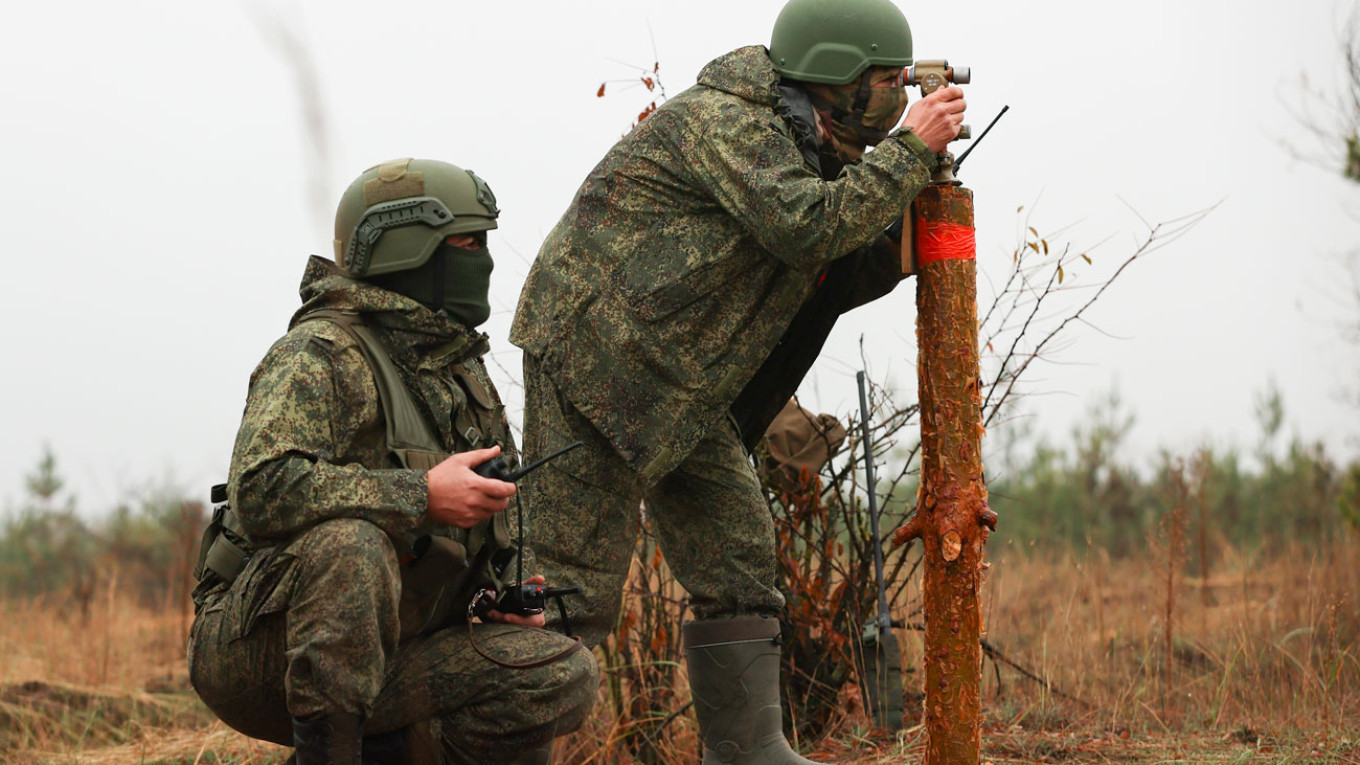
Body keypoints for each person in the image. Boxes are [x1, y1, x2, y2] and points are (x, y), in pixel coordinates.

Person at [510, 0, 965, 761]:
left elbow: (819, 266)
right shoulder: (732, 123)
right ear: (834, 79)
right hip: (597, 361)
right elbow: (806, 226)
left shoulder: (810, 146)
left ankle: (747, 751)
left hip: (677, 383)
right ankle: (498, 748)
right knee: (568, 586)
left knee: (738, 554)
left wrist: (900, 223)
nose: (897, 99)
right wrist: (910, 151)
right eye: (886, 80)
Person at [188, 158, 597, 765]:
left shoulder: (463, 371)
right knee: (352, 546)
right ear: (411, 250)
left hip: (394, 649)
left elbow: (495, 520)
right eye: (467, 241)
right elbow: (262, 488)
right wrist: (420, 496)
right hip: (257, 649)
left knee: (557, 674)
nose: (483, 258)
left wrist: (496, 595)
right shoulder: (320, 352)